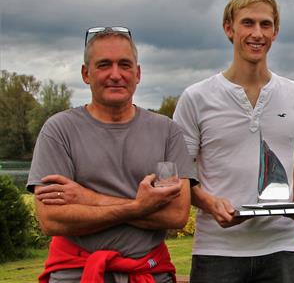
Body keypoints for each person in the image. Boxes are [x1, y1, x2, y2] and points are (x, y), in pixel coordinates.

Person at [27, 26, 194, 283]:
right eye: (104, 65)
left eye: (124, 65)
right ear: (86, 73)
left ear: (137, 73)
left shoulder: (167, 131)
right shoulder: (59, 129)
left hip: (149, 271)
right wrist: (139, 206)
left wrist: (87, 198)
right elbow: (52, 219)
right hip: (75, 274)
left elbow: (176, 215)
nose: (115, 75)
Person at [172, 0, 294, 283]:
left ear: (276, 31)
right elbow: (181, 176)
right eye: (247, 23)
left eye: (265, 24)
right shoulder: (196, 98)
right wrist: (210, 203)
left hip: (282, 247)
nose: (257, 33)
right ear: (229, 28)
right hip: (217, 250)